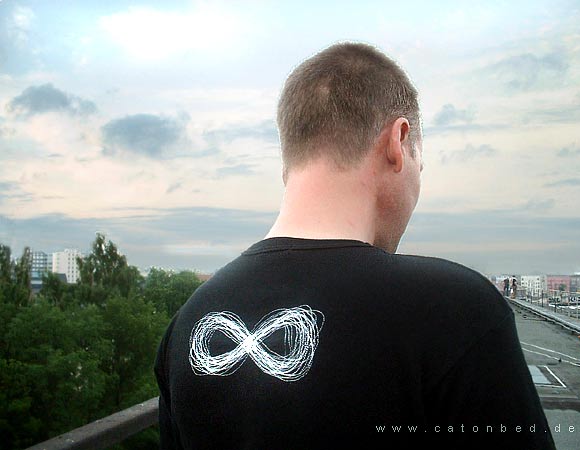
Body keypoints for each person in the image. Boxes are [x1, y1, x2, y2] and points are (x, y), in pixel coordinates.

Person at [154, 42, 555, 449]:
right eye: (419, 165)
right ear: (398, 141)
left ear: (288, 162)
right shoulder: (458, 310)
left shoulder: (185, 325)